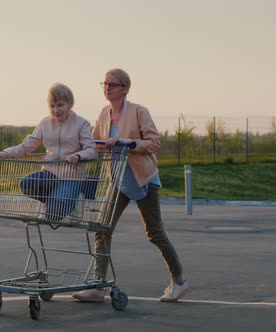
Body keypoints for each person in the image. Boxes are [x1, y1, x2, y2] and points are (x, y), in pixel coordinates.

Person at [72, 68, 188, 302]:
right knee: (102, 229)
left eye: (113, 84)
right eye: (104, 84)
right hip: (118, 180)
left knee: (154, 233)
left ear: (125, 89)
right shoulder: (104, 113)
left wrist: (128, 143)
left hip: (142, 177)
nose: (107, 88)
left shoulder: (138, 111)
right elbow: (95, 143)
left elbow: (154, 142)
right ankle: (97, 286)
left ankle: (179, 281)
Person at [0, 83, 97, 220]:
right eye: (52, 106)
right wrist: (6, 153)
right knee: (26, 184)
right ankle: (56, 199)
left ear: (70, 103)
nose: (56, 110)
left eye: (60, 105)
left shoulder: (81, 124)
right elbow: (26, 147)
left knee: (52, 215)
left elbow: (92, 150)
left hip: (72, 176)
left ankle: (72, 199)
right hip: (49, 174)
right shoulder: (45, 123)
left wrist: (78, 155)